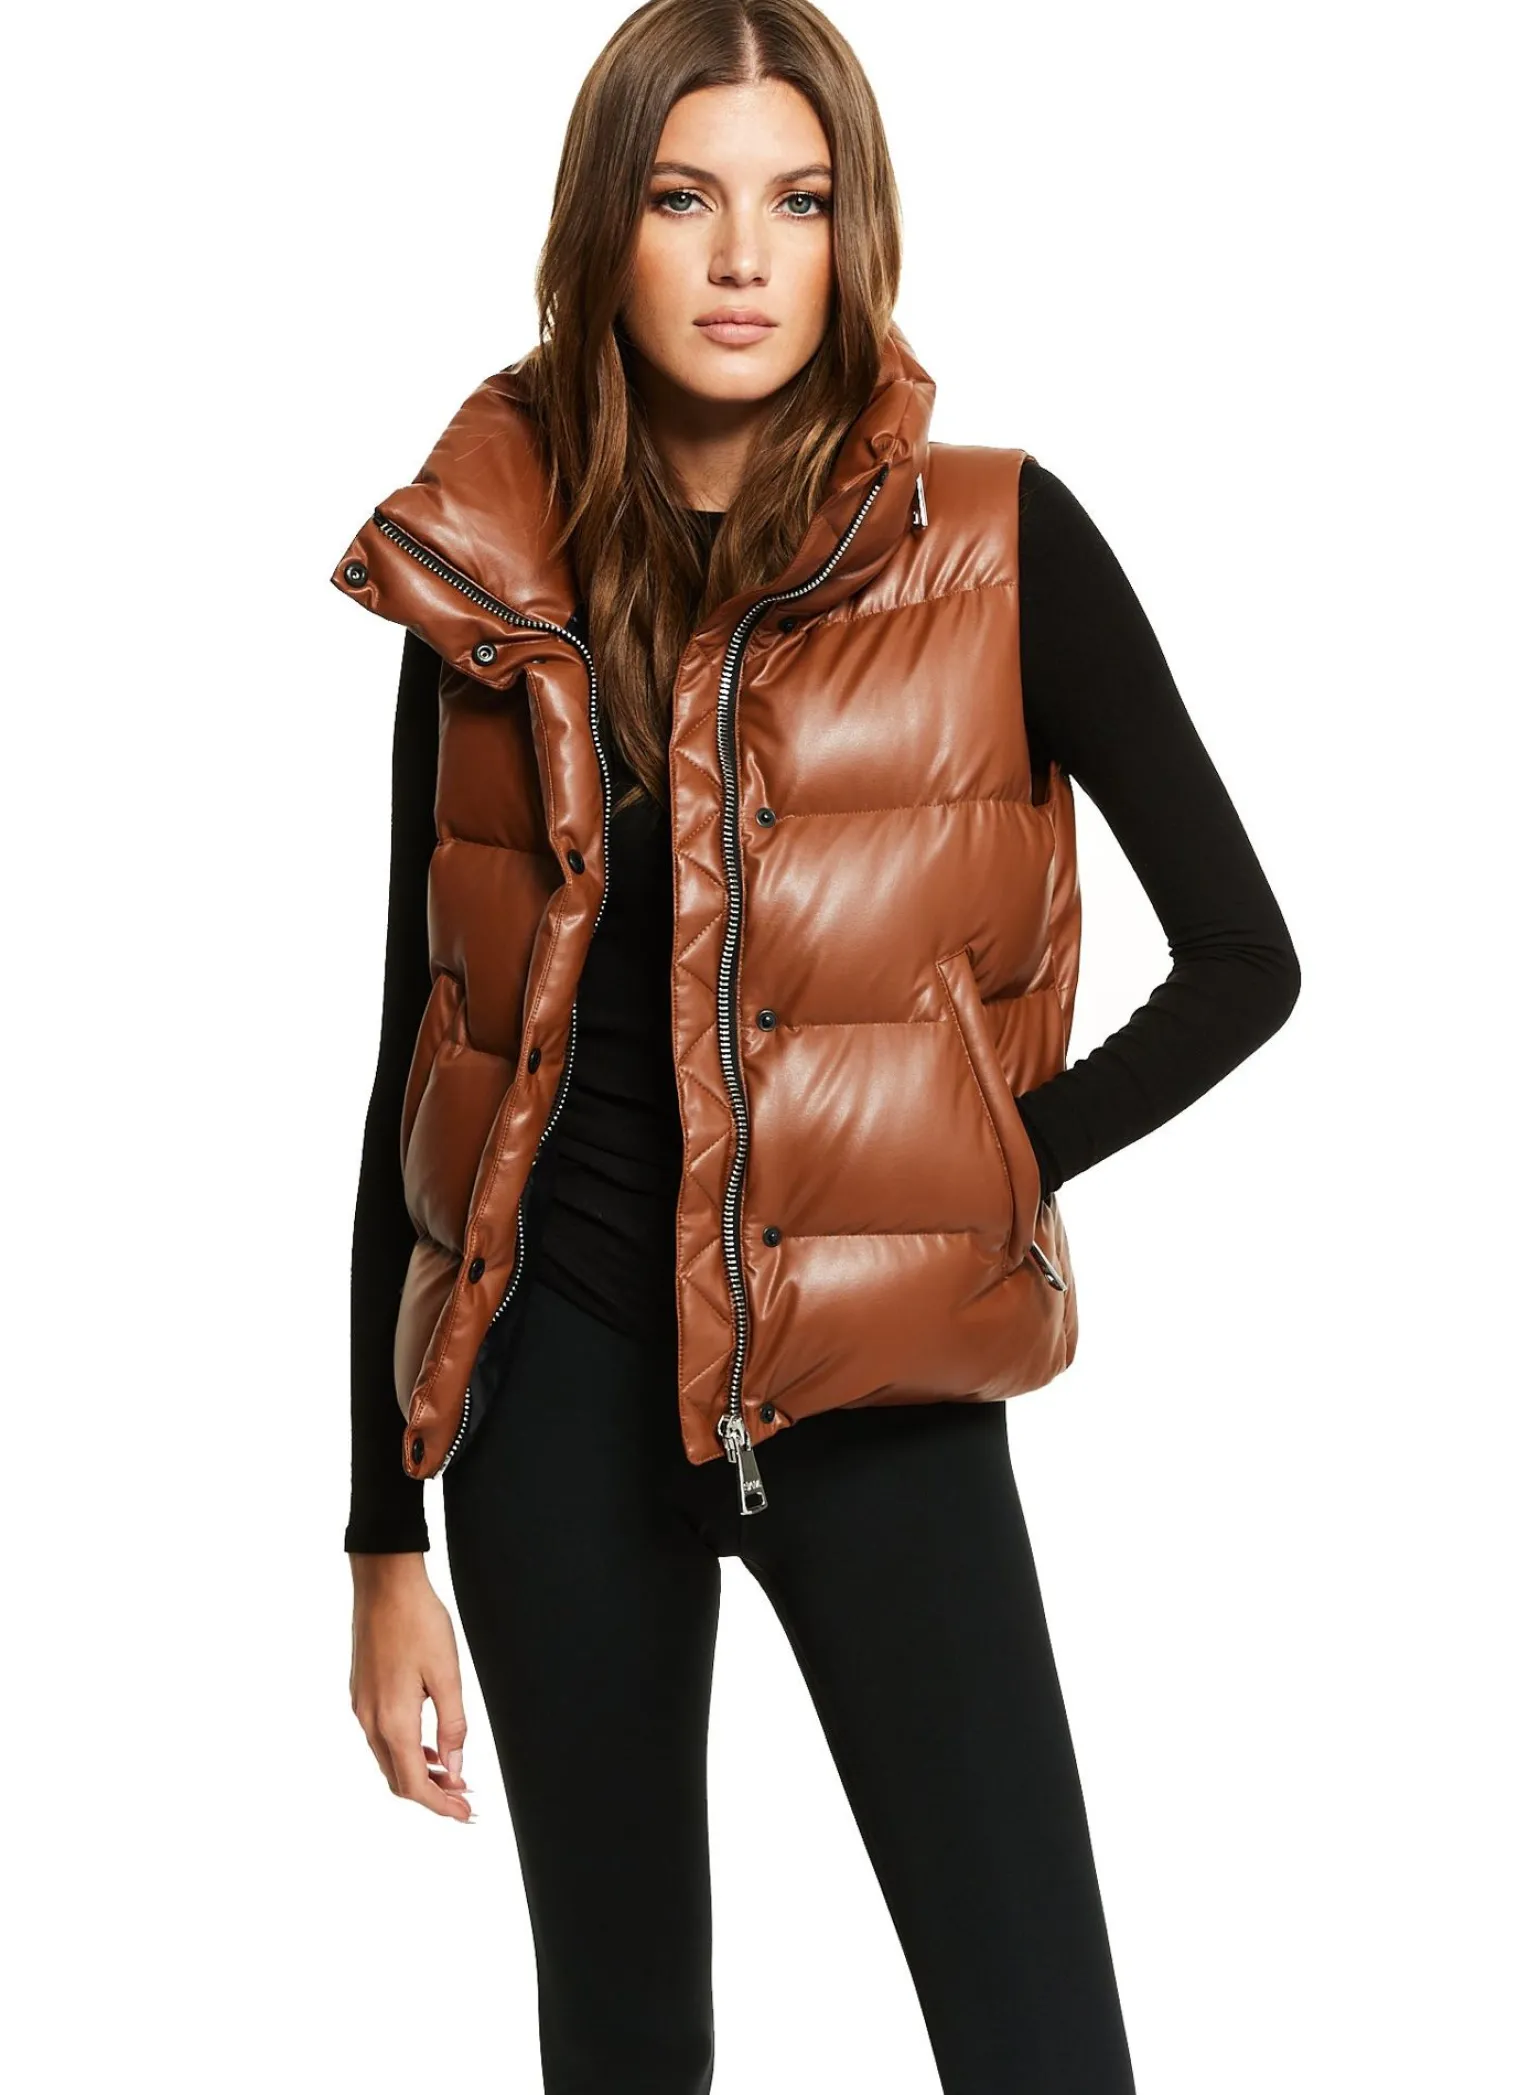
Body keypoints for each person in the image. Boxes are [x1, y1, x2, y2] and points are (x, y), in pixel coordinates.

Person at [336, 3, 1300, 2088]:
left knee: (1038, 2039)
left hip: (875, 1401)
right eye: (684, 198)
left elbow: (1244, 959)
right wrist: (381, 1531)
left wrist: (982, 1158)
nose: (742, 258)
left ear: (856, 235)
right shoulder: (486, 582)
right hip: (546, 1405)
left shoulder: (994, 545)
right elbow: (427, 1063)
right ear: (603, 231)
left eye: (798, 201)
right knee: (622, 2044)